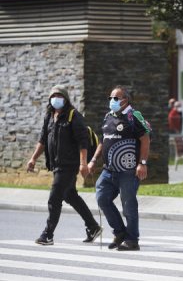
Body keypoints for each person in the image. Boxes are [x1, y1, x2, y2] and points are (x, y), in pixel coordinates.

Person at [26, 85, 103, 245]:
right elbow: (42, 139)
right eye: (53, 95)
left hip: (69, 165)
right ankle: (93, 226)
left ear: (66, 99)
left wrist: (83, 164)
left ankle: (48, 234)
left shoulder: (73, 116)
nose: (56, 99)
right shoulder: (50, 115)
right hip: (56, 164)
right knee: (70, 196)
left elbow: (83, 142)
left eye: (59, 96)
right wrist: (33, 158)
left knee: (54, 198)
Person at [86, 85, 151, 251]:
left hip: (128, 171)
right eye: (110, 98)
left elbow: (145, 139)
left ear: (125, 100)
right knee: (102, 198)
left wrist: (142, 163)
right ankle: (120, 232)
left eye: (116, 98)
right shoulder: (108, 116)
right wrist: (93, 160)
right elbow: (103, 140)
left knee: (128, 204)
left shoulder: (133, 115)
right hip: (109, 170)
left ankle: (132, 240)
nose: (112, 101)